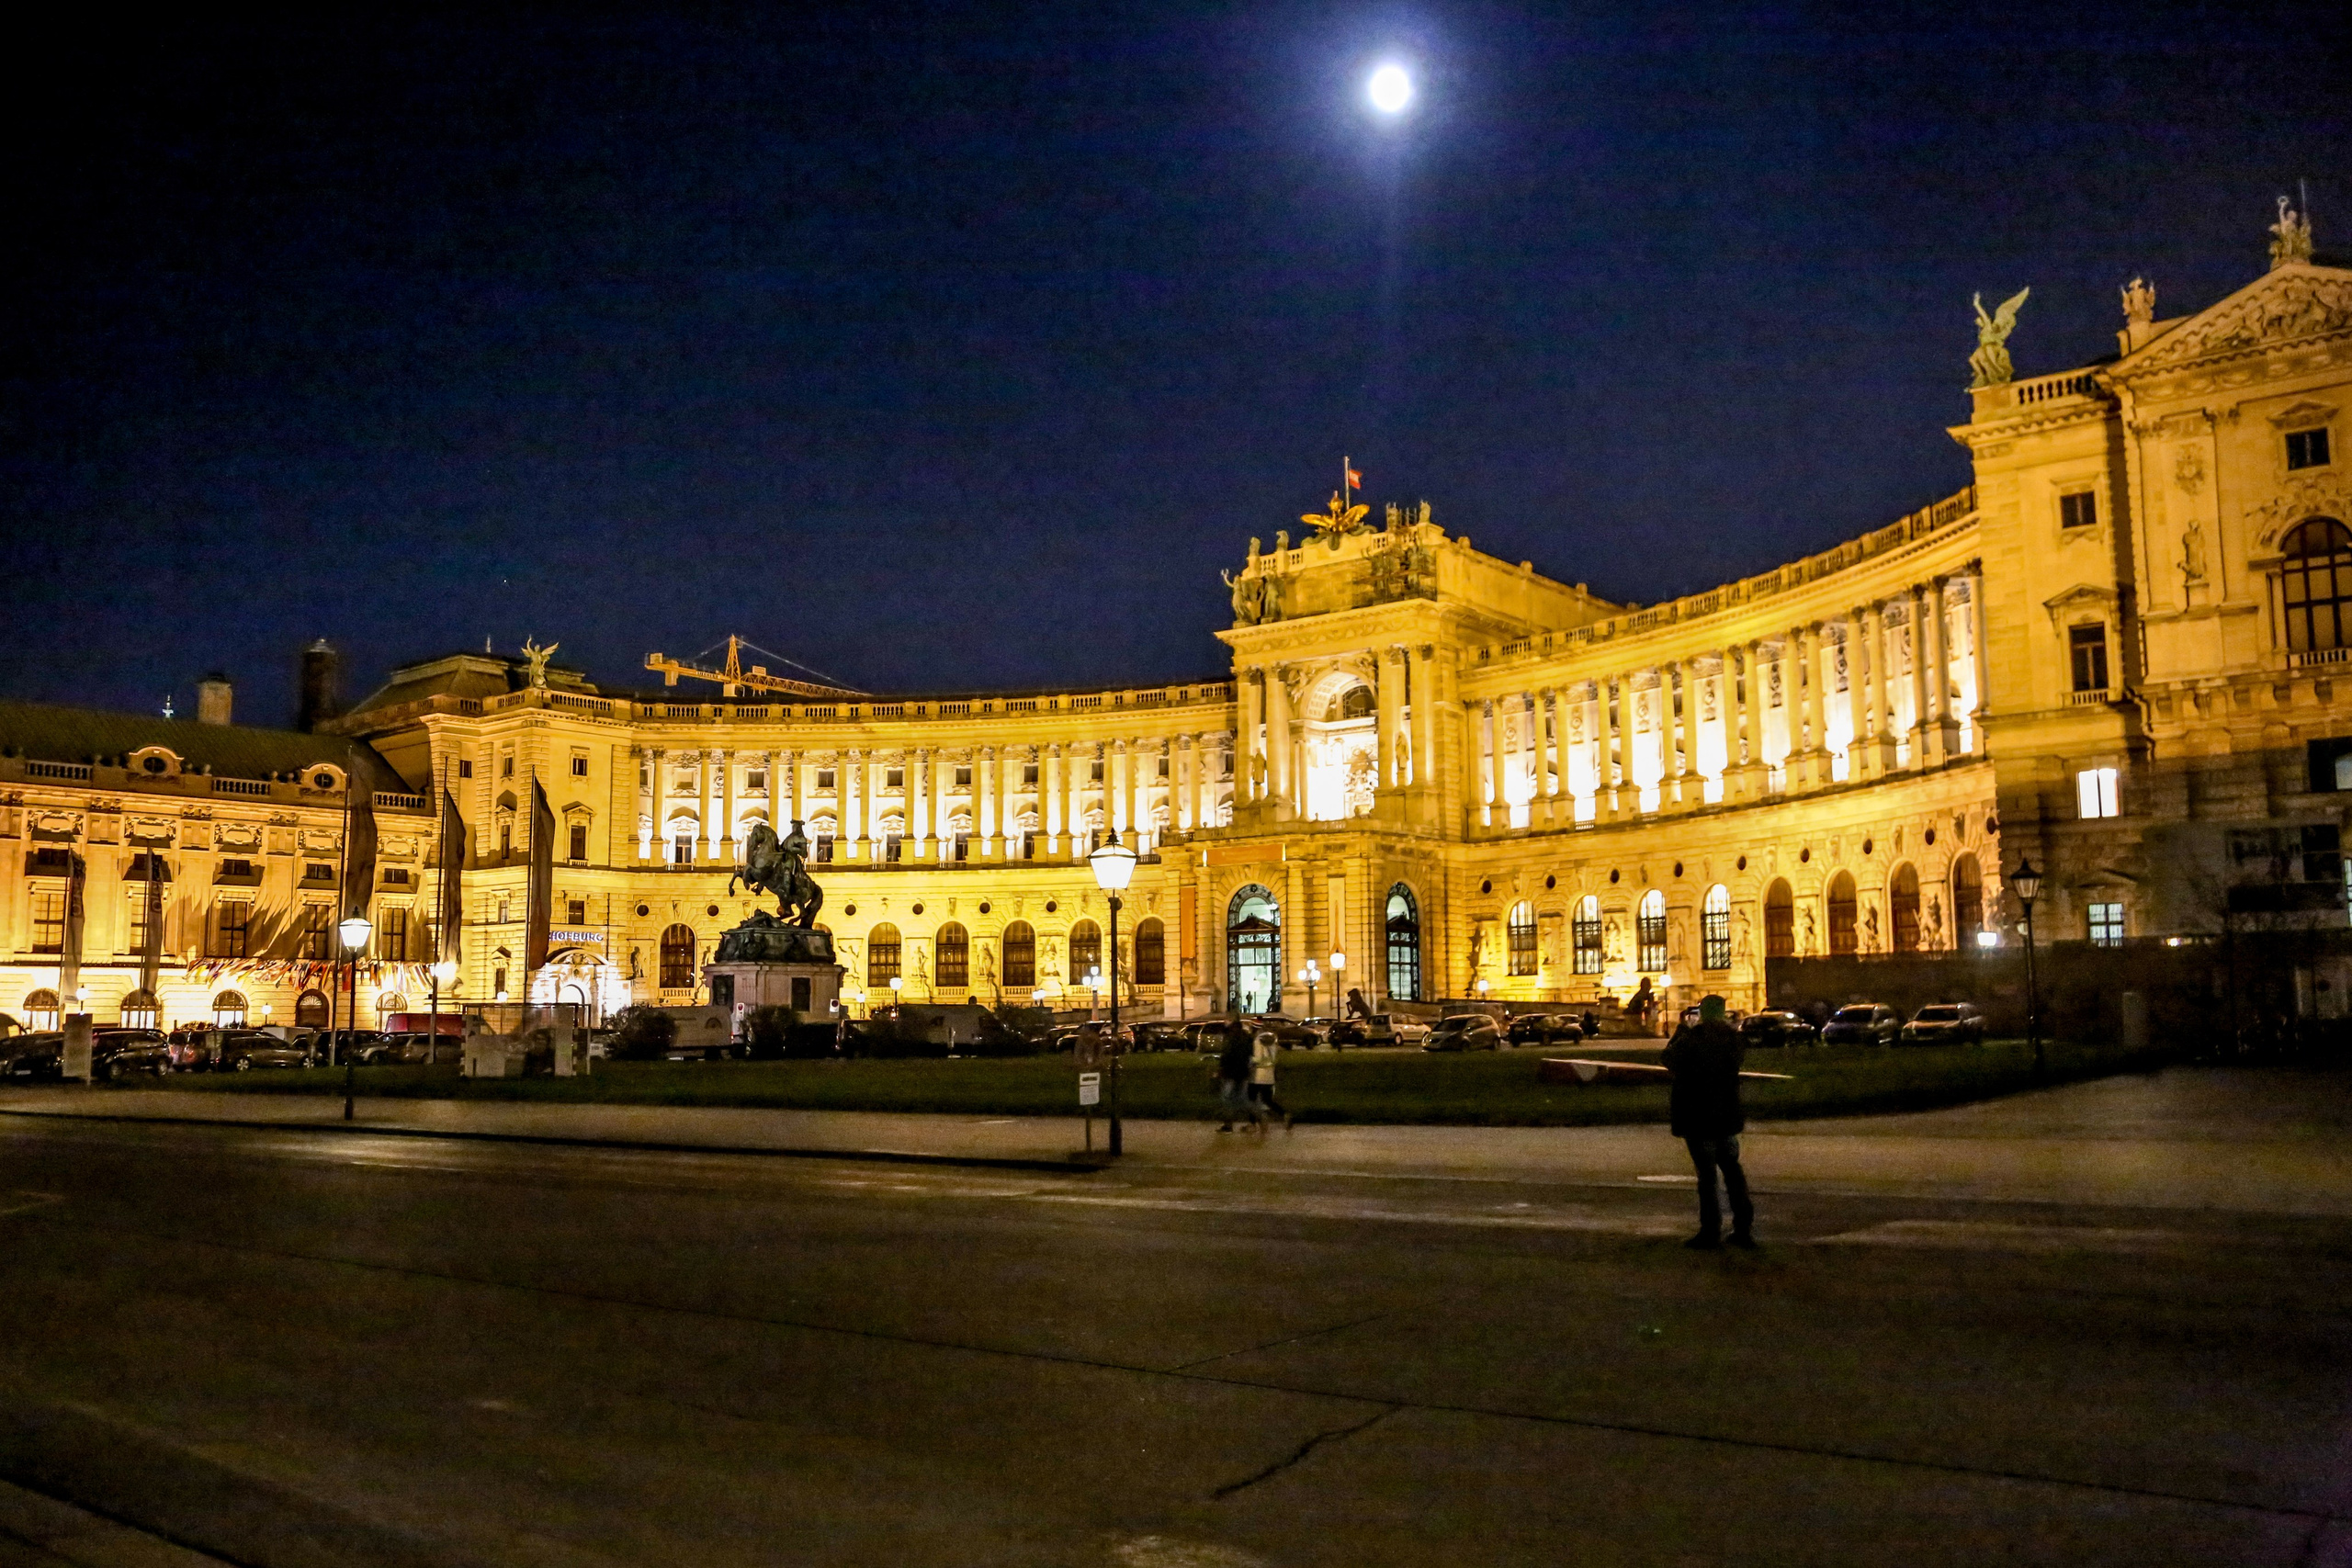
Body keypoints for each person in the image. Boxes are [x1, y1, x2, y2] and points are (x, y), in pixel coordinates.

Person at [1661, 993, 1754, 1249]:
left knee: (1707, 1177)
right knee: (1733, 1171)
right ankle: (1743, 1227)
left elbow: (1668, 1059)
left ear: (1702, 1012)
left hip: (1698, 1113)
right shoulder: (1734, 1039)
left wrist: (1682, 1030)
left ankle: (1710, 1230)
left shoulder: (1695, 1038)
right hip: (1726, 1114)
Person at [1215, 1021, 1259, 1133]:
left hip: (1230, 1073)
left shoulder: (1230, 1039)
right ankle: (1257, 1121)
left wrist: (1220, 1070)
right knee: (1244, 1099)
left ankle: (1228, 1126)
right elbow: (1251, 1055)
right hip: (1243, 1073)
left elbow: (1226, 1056)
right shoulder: (1247, 1039)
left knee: (1226, 1099)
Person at [1250, 1026, 1293, 1132]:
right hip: (1269, 1076)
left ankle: (1254, 1124)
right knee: (1268, 1100)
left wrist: (1250, 1059)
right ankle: (1284, 1114)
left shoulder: (1257, 1041)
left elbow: (1258, 1058)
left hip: (1257, 1076)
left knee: (1251, 1100)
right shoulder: (1273, 1042)